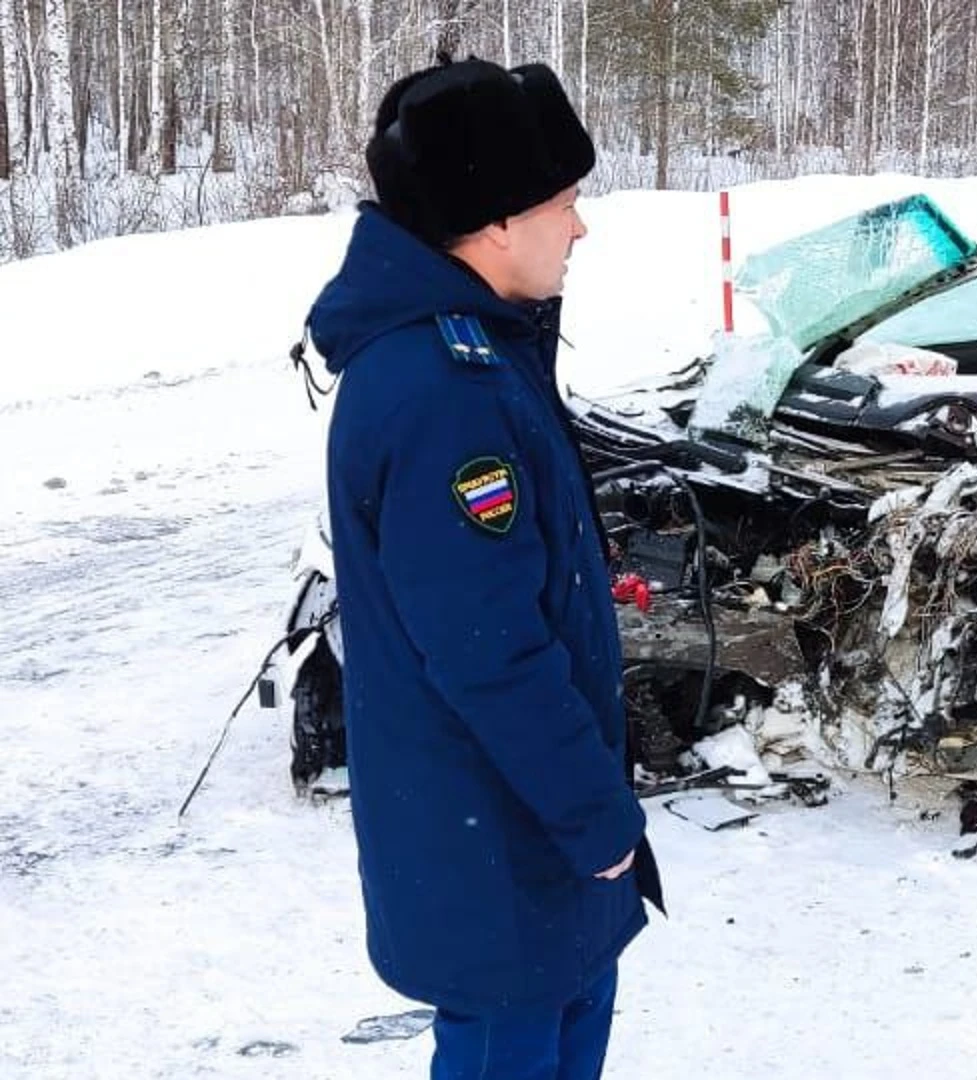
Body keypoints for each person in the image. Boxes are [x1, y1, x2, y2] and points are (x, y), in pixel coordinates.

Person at [304, 55, 663, 1080]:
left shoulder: (480, 350)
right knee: (515, 1046)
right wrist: (595, 814)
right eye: (565, 201)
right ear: (496, 221)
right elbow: (487, 650)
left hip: (524, 825)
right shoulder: (441, 393)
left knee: (562, 1020)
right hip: (501, 839)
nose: (580, 226)